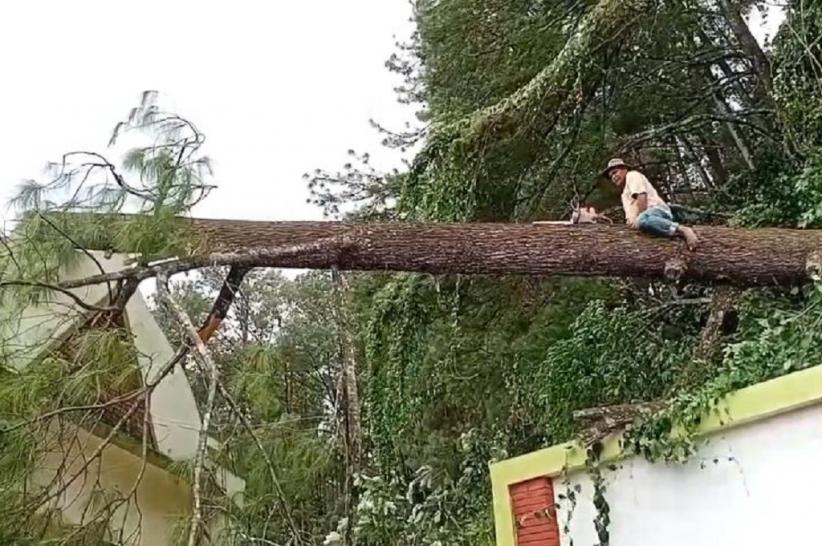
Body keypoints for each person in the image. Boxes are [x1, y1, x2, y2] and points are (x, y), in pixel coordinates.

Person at [602, 158, 698, 250]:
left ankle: (682, 229)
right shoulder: (624, 194)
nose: (613, 177)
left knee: (643, 219)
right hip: (648, 221)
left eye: (615, 172)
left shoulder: (632, 176)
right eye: (611, 177)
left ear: (624, 169)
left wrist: (638, 218)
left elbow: (641, 196)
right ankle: (667, 231)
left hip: (656, 212)